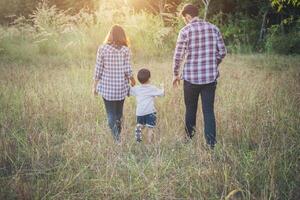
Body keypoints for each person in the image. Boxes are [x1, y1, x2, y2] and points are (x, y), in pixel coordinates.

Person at [172, 4, 227, 149]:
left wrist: (176, 74)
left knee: (190, 109)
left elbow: (178, 57)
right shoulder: (214, 28)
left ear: (188, 16)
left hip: (191, 79)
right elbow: (222, 52)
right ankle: (211, 144)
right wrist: (212, 64)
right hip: (210, 78)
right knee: (208, 110)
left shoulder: (185, 31)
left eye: (185, 19)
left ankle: (189, 140)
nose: (185, 21)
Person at [93, 25, 136, 143]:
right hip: (121, 88)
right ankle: (118, 135)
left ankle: (117, 139)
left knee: (110, 113)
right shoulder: (125, 50)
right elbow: (127, 69)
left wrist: (94, 86)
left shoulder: (102, 49)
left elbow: (98, 69)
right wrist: (132, 80)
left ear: (110, 35)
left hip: (107, 88)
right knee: (119, 113)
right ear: (122, 36)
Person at [130, 68, 164, 143]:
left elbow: (129, 92)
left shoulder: (137, 89)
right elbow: (161, 93)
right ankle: (149, 142)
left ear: (138, 79)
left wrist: (132, 85)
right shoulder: (152, 88)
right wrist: (162, 87)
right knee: (150, 128)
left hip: (140, 112)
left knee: (141, 125)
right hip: (150, 112)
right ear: (149, 79)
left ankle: (139, 128)